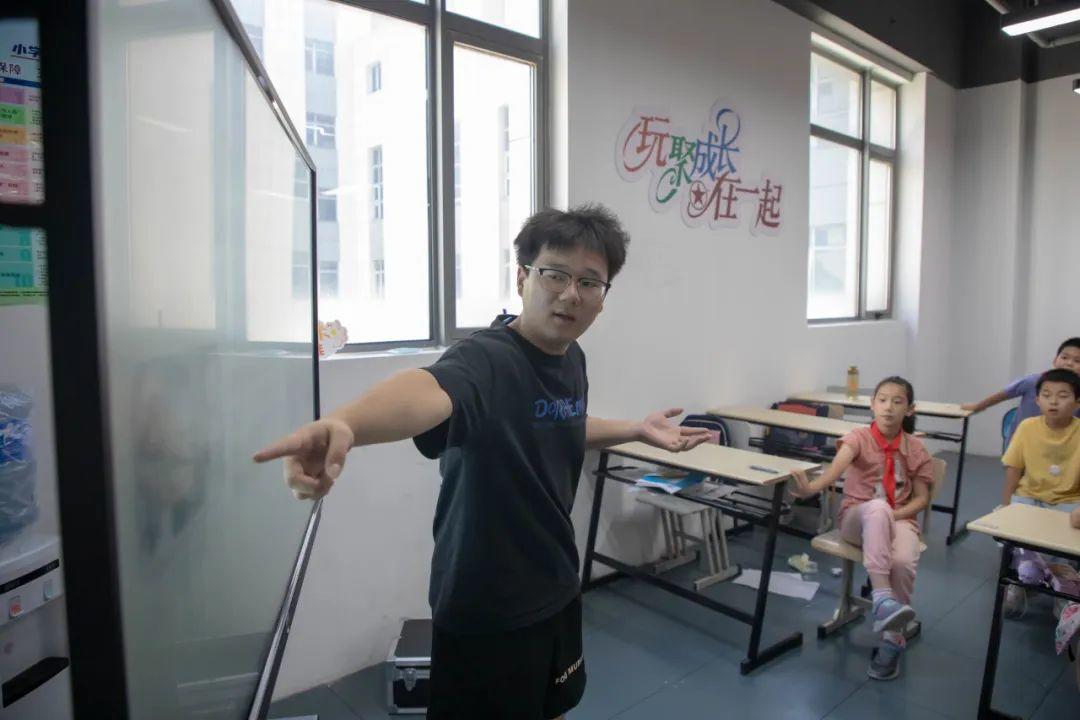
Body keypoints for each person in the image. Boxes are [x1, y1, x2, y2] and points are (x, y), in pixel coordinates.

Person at [254, 204, 710, 719]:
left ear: (603, 298)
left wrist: (635, 428)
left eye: (589, 282)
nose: (570, 294)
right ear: (522, 278)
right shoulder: (488, 359)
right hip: (487, 604)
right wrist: (348, 423)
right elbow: (428, 389)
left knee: (553, 705)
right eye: (555, 274)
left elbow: (560, 422)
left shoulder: (571, 357)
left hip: (557, 583)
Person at [790, 376, 935, 681]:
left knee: (902, 560)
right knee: (877, 508)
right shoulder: (858, 437)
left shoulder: (916, 448)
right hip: (856, 519)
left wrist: (892, 516)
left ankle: (893, 639)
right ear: (872, 405)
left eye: (897, 401)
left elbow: (921, 499)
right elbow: (834, 472)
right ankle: (882, 598)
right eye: (882, 400)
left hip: (900, 518)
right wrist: (810, 489)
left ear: (910, 409)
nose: (888, 407)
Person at [999, 367, 1080, 618]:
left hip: (1070, 500)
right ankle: (1022, 581)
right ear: (1037, 400)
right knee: (1015, 537)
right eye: (1046, 395)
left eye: (1062, 396)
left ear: (1077, 402)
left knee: (1066, 542)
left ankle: (1063, 590)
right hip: (1029, 496)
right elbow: (1014, 468)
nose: (1053, 401)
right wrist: (1006, 506)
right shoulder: (1027, 427)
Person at [962, 337, 1080, 447]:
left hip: (1059, 447)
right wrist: (977, 406)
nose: (1069, 363)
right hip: (1021, 443)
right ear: (1055, 360)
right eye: (1064, 357)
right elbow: (1002, 395)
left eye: (1077, 361)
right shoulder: (1033, 381)